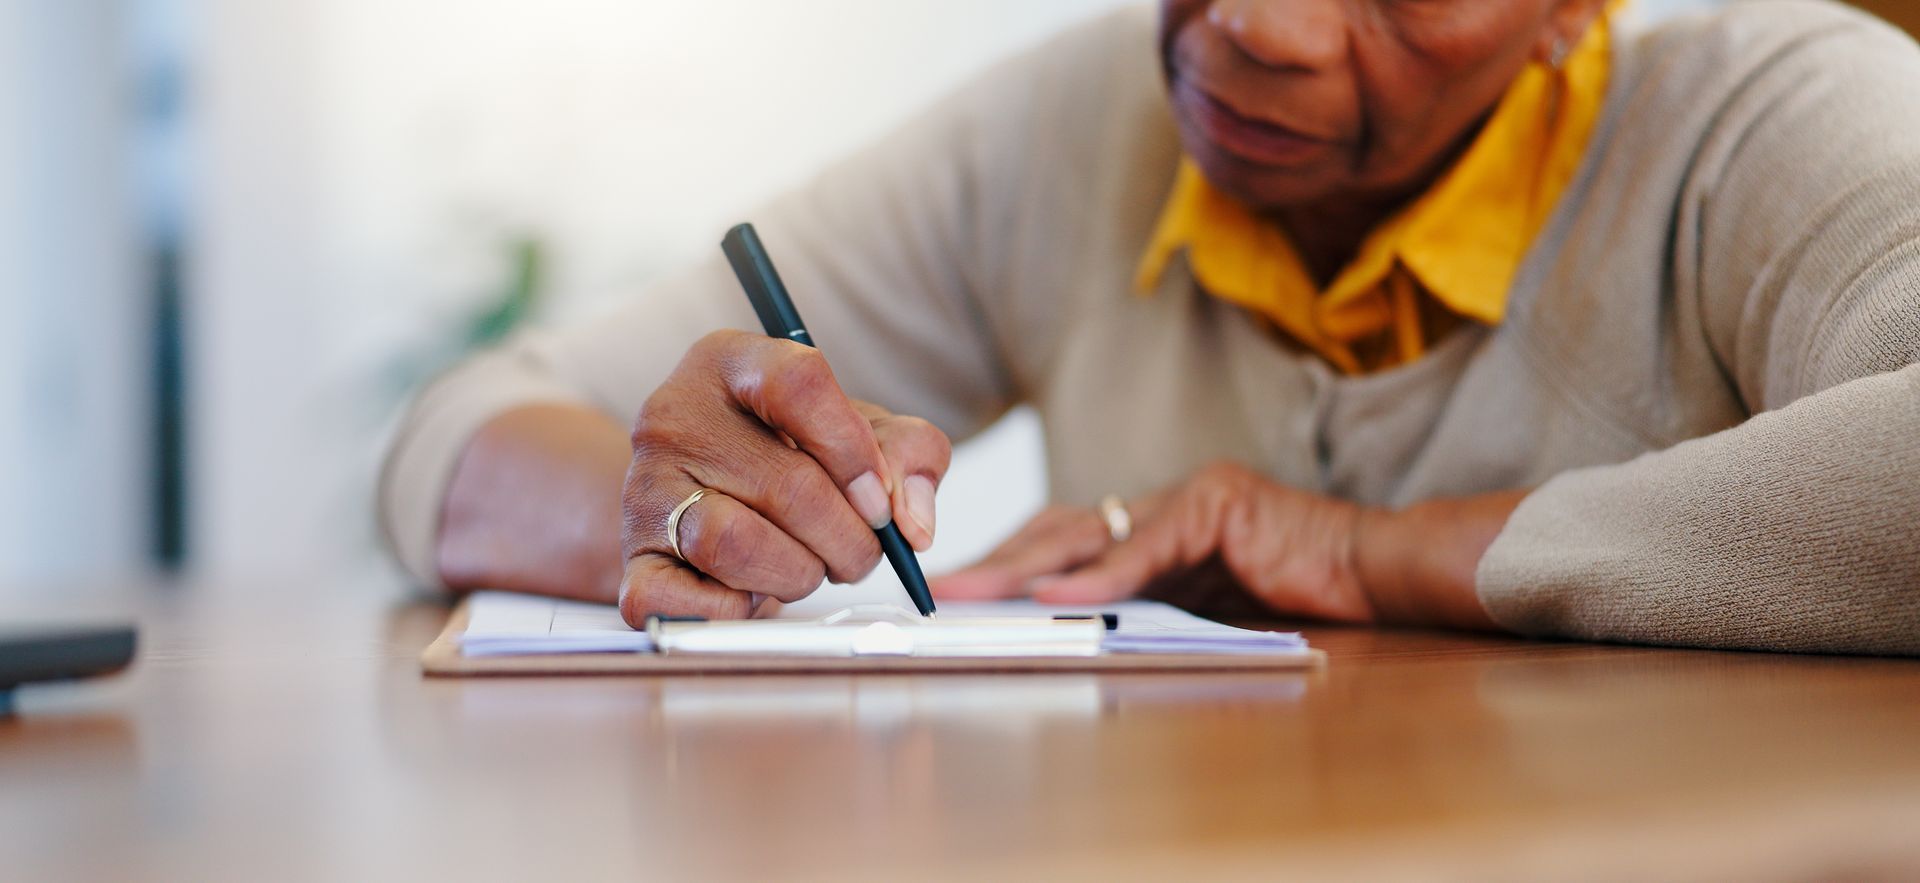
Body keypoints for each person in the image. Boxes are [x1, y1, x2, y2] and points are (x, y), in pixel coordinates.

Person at [379, 0, 1920, 654]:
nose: (1257, 26)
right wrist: (672, 506)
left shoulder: (1760, 120)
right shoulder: (1078, 123)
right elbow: (451, 443)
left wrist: (1352, 552)